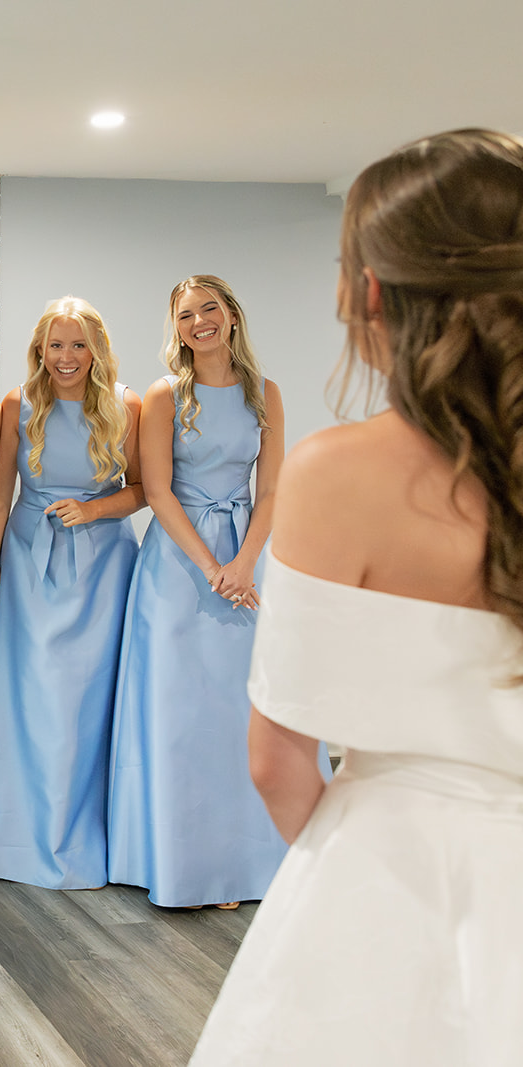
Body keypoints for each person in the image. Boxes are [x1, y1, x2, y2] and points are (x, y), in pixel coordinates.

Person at [192, 128, 523, 1065]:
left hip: (394, 869)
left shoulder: (340, 473)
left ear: (369, 290)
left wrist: (350, 885)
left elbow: (277, 758)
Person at [107, 275, 310, 909]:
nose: (200, 322)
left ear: (231, 316)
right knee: (180, 717)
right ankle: (184, 861)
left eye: (210, 309)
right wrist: (211, 565)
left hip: (249, 562)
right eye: (186, 314)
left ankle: (244, 860)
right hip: (177, 567)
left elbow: (272, 491)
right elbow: (159, 492)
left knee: (241, 716)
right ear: (177, 328)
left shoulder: (266, 395)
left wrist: (245, 563)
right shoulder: (167, 396)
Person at [0, 297, 144, 890]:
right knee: (26, 696)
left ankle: (86, 838)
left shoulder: (129, 405)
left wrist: (94, 507)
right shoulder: (15, 405)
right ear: (39, 350)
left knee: (85, 700)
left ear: (96, 348)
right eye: (55, 345)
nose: (66, 358)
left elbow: (146, 489)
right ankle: (13, 838)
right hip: (26, 561)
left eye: (78, 345)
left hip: (102, 564)